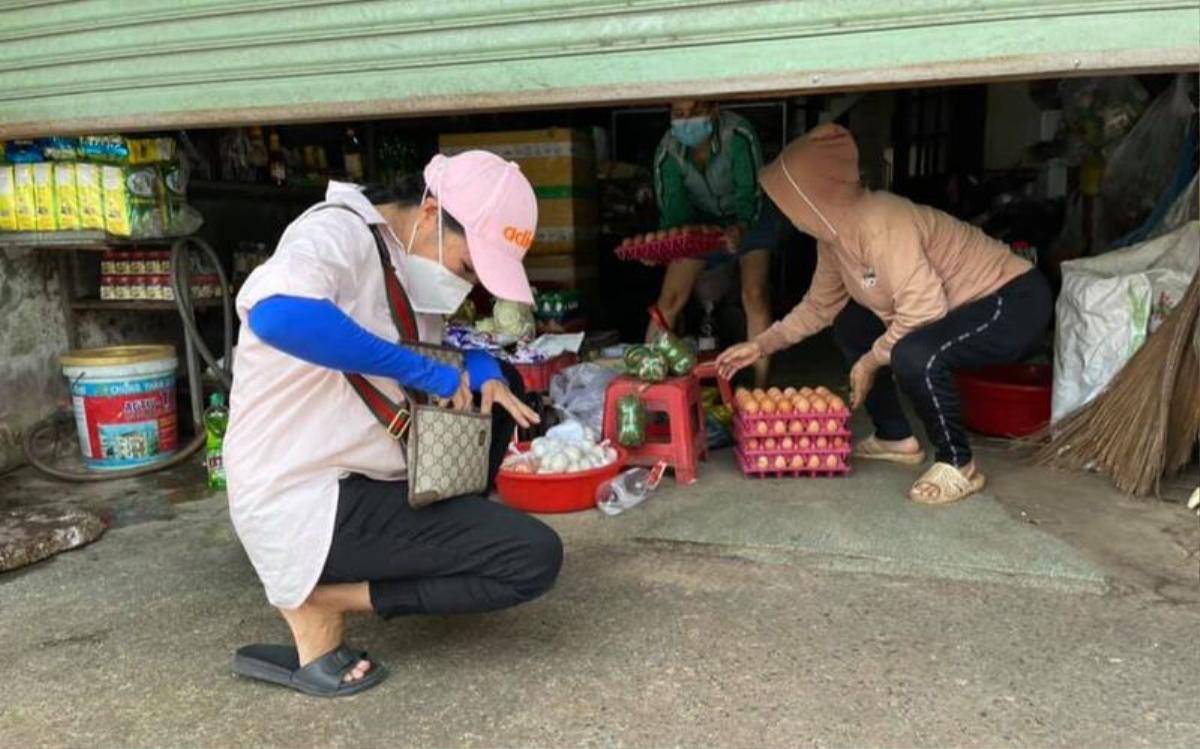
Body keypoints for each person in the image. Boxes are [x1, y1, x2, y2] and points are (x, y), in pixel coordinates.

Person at [224, 151, 563, 697]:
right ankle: (325, 595)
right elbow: (278, 313)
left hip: (371, 474)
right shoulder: (338, 233)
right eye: (466, 267)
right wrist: (422, 371)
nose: (465, 286)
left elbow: (443, 346)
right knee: (531, 558)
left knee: (502, 388)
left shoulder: (408, 260)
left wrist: (480, 370)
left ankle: (426, 543)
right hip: (310, 494)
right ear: (430, 215)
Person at [718, 124, 1051, 505]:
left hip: (1011, 300)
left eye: (789, 199)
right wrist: (761, 345)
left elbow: (924, 311)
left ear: (814, 195)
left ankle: (959, 465)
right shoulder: (835, 237)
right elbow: (819, 306)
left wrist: (870, 361)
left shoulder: (882, 223)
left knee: (914, 353)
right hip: (959, 306)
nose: (784, 211)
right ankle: (895, 435)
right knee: (850, 322)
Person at [649, 99, 782, 386]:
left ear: (714, 111)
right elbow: (674, 208)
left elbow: (751, 190)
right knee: (669, 300)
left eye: (695, 112)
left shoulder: (737, 134)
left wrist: (742, 227)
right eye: (679, 114)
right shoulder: (667, 151)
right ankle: (645, 382)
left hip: (753, 214)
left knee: (754, 294)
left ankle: (758, 390)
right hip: (702, 220)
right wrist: (667, 244)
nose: (686, 121)